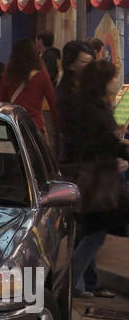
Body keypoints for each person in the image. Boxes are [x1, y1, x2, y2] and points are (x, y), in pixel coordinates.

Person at [63, 61, 129, 299]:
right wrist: (122, 146)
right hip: (97, 180)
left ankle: (82, 284)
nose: (116, 81)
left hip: (97, 178)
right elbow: (105, 142)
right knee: (94, 233)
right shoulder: (93, 110)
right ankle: (69, 286)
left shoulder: (92, 105)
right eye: (113, 77)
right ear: (103, 81)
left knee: (93, 232)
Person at [0, 38, 57, 137]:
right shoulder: (42, 76)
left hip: (13, 127)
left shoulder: (7, 76)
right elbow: (53, 104)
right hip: (35, 126)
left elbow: (2, 103)